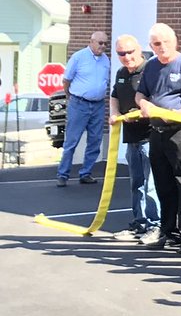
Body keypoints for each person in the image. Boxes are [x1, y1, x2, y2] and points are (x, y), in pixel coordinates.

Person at [135, 23, 181, 254]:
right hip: (157, 133)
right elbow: (140, 93)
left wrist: (179, 113)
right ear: (151, 46)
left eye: (166, 41)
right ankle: (168, 232)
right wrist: (143, 103)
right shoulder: (152, 66)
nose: (162, 47)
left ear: (175, 41)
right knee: (163, 184)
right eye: (156, 43)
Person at [108, 35, 159, 243]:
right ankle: (139, 223)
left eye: (130, 52)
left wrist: (143, 111)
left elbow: (157, 99)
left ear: (139, 50)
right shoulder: (121, 73)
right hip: (131, 137)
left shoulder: (150, 70)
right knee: (136, 183)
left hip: (149, 135)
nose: (126, 57)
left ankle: (155, 225)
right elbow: (114, 96)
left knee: (151, 184)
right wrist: (113, 113)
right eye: (121, 53)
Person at [56, 31, 110, 186]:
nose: (103, 46)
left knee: (95, 140)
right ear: (91, 41)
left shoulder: (106, 60)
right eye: (100, 43)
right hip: (79, 103)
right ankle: (63, 174)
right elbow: (66, 80)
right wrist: (70, 96)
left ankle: (86, 173)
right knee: (72, 140)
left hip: (98, 105)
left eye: (105, 43)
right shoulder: (78, 57)